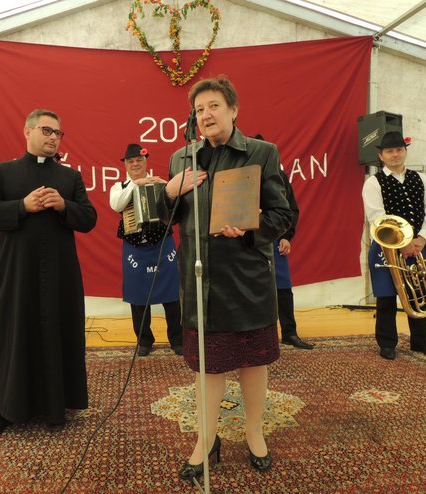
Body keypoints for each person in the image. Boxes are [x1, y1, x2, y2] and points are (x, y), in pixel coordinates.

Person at [162, 76, 293, 482]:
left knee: (253, 362)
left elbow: (282, 214)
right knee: (209, 367)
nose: (206, 115)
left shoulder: (262, 153)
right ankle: (207, 439)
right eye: (199, 110)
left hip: (248, 277)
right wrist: (170, 191)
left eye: (214, 106)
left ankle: (254, 433)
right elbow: (164, 223)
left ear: (234, 110)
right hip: (199, 280)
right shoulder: (182, 159)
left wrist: (251, 231)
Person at [0, 109, 97, 440]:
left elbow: (88, 219)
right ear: (27, 131)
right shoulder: (3, 172)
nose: (54, 137)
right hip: (16, 273)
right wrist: (22, 206)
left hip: (59, 274)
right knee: (16, 333)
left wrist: (63, 205)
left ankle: (56, 405)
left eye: (58, 133)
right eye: (47, 130)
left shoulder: (69, 178)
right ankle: (6, 409)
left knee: (56, 331)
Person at [362, 131, 426, 361]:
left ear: (405, 152)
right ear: (381, 156)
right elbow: (377, 217)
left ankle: (421, 343)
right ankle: (387, 344)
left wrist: (421, 238)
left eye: (399, 150)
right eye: (390, 151)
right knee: (387, 296)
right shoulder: (373, 182)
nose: (395, 154)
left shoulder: (421, 178)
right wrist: (401, 243)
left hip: (420, 245)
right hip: (387, 247)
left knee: (419, 291)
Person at [109, 143, 183, 357]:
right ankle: (144, 340)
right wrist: (136, 184)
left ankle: (177, 339)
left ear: (145, 162)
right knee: (138, 294)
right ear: (125, 164)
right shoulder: (119, 187)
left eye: (138, 160)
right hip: (135, 247)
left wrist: (165, 186)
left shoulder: (159, 183)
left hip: (162, 243)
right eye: (130, 161)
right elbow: (117, 205)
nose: (135, 164)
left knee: (171, 293)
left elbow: (174, 205)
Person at [254, 135, 313, 349]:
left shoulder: (279, 177)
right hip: (248, 243)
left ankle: (289, 332)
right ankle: (256, 338)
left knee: (283, 290)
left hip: (274, 241)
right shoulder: (241, 176)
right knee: (252, 292)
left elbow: (291, 209)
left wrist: (287, 236)